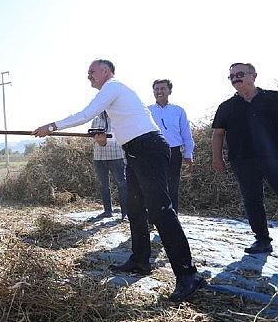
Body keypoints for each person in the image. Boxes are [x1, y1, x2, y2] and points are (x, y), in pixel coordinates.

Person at [32, 59, 204, 302]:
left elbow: (85, 114)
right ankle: (140, 260)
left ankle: (188, 275)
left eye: (91, 72)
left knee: (160, 211)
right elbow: (128, 131)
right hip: (135, 150)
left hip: (149, 149)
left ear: (105, 71)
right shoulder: (117, 98)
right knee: (134, 209)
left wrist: (51, 126)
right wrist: (106, 141)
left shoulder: (113, 86)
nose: (88, 76)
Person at [211, 62, 278, 254]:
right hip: (243, 160)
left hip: (274, 157)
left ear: (253, 75)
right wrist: (217, 159)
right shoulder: (227, 107)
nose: (235, 78)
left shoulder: (273, 98)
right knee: (252, 200)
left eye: (239, 74)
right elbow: (218, 134)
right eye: (231, 76)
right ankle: (263, 240)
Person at [148, 79, 195, 213]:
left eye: (163, 88)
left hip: (173, 153)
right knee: (153, 187)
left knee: (172, 187)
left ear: (169, 91)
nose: (159, 92)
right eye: (156, 89)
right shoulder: (147, 111)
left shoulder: (178, 111)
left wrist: (188, 153)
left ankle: (172, 218)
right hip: (153, 153)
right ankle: (152, 219)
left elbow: (186, 133)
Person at [90, 111, 128, 220]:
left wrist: (105, 141)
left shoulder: (119, 117)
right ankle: (107, 211)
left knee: (122, 184)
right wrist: (97, 138)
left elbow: (121, 137)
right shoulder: (96, 119)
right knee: (103, 185)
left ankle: (125, 213)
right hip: (99, 156)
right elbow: (92, 137)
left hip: (116, 155)